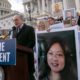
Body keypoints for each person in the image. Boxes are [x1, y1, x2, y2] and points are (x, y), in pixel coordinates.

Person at [7, 14, 35, 80]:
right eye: (13, 20)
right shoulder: (13, 31)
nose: (15, 22)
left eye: (16, 20)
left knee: (29, 76)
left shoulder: (29, 29)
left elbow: (32, 42)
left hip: (27, 57)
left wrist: (23, 51)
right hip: (17, 59)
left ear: (22, 20)